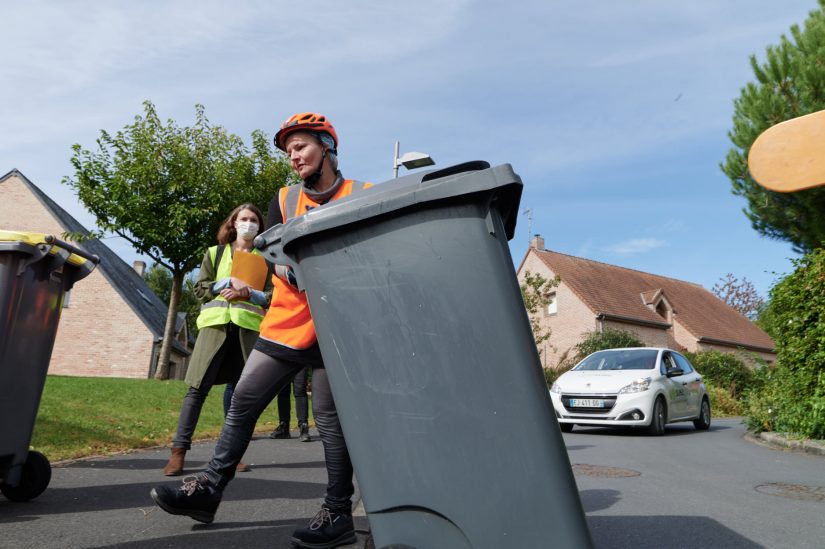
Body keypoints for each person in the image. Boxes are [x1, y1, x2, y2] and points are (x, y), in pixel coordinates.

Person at [151, 112, 372, 549]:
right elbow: (273, 255)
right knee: (243, 403)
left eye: (301, 146)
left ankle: (337, 513)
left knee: (330, 421)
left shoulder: (360, 194)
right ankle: (209, 489)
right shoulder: (285, 199)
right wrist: (293, 272)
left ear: (327, 147)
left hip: (337, 326)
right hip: (286, 321)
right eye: (289, 151)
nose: (294, 156)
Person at [161, 204, 271, 477]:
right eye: (244, 219)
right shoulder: (215, 253)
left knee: (239, 396)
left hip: (247, 332)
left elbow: (272, 296)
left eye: (254, 220)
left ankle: (230, 456)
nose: (249, 223)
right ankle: (178, 452)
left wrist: (248, 294)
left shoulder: (265, 259)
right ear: (233, 223)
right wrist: (225, 284)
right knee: (197, 390)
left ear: (260, 226)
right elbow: (199, 290)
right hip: (215, 328)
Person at [269, 366, 311, 442]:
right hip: (282, 360)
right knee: (282, 391)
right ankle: (284, 428)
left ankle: (303, 427)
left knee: (300, 390)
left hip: (301, 360)